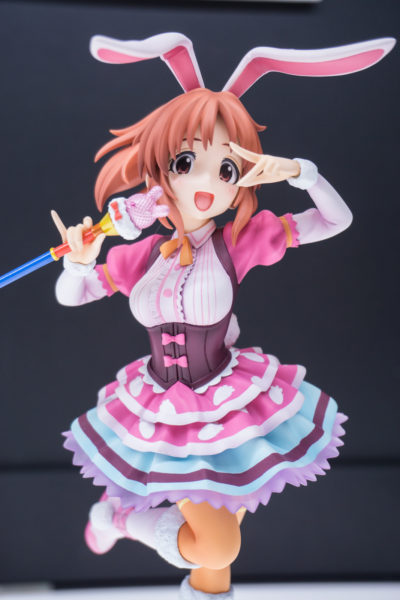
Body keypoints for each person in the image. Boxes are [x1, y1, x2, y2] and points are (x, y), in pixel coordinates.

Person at [53, 33, 394, 600]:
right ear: (160, 170)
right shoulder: (142, 254)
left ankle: (124, 523)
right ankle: (119, 518)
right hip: (161, 403)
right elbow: (73, 295)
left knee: (217, 552)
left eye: (228, 168)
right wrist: (79, 262)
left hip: (224, 402)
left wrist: (300, 173)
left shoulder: (240, 239)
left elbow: (336, 220)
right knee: (217, 546)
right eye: (188, 162)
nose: (208, 184)